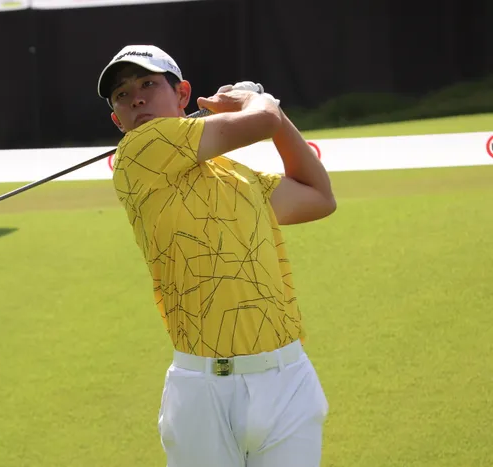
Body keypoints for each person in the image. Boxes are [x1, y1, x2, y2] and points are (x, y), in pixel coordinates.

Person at [97, 45, 337, 467]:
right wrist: (258, 101)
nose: (135, 99)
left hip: (287, 378)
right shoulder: (137, 153)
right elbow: (261, 120)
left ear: (183, 94)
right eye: (122, 95)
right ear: (118, 121)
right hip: (203, 389)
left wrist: (275, 114)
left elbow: (318, 197)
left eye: (148, 84)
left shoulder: (235, 174)